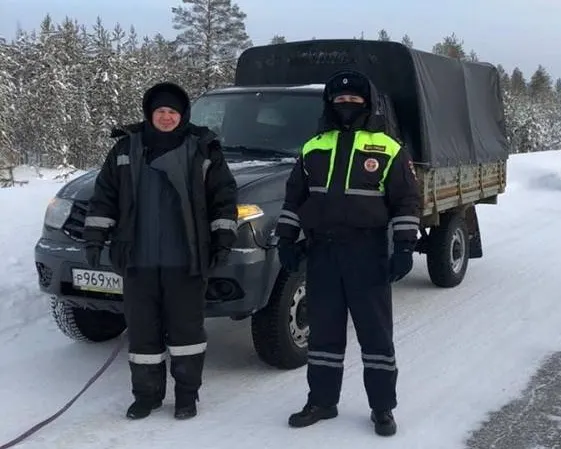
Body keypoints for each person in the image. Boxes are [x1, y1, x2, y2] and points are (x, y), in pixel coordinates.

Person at [275, 69, 421, 437]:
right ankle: (322, 401)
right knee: (323, 333)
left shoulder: (387, 147)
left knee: (375, 336)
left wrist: (404, 246)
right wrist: (285, 240)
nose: (346, 105)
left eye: (354, 100)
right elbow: (295, 199)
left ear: (367, 104)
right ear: (329, 104)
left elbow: (406, 201)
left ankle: (382, 407)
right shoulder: (313, 147)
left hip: (367, 253)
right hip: (322, 253)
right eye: (339, 100)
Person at [82, 81, 238, 420]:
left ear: (182, 115)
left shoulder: (202, 148)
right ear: (149, 114)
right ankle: (147, 396)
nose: (166, 117)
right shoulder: (126, 149)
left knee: (186, 334)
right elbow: (104, 196)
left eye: (172, 112)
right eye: (160, 111)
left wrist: (224, 238)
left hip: (186, 262)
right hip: (138, 262)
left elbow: (223, 198)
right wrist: (95, 236)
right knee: (142, 333)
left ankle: (186, 397)